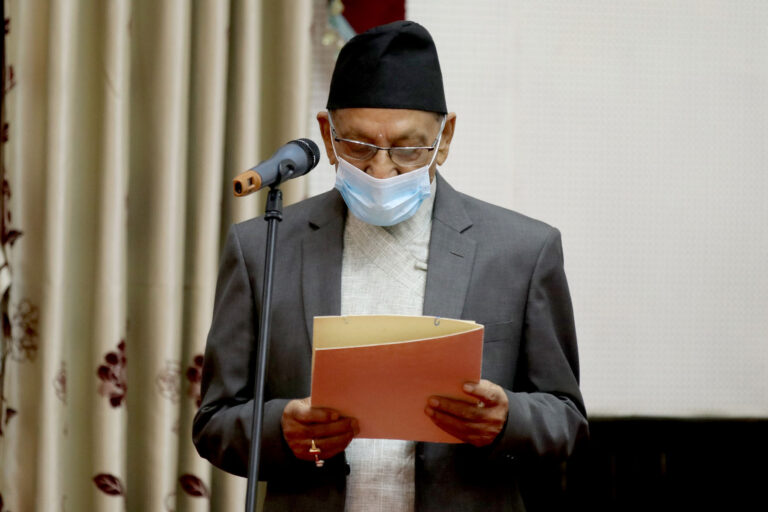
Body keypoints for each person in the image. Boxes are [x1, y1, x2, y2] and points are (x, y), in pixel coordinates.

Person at [193, 20, 588, 511]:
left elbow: (566, 419)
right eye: (358, 146)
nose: (381, 170)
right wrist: (281, 429)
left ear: (445, 138)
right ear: (327, 135)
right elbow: (215, 420)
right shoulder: (264, 246)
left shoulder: (522, 250)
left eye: (408, 149)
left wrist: (507, 421)